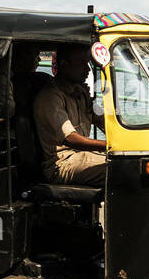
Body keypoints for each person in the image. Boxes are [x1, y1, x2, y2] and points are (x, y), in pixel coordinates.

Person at [33, 44, 106, 186]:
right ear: (65, 65)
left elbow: (102, 120)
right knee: (121, 169)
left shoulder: (80, 92)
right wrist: (109, 145)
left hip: (81, 156)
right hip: (62, 163)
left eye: (87, 63)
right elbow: (71, 138)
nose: (87, 69)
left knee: (131, 162)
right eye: (82, 64)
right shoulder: (50, 97)